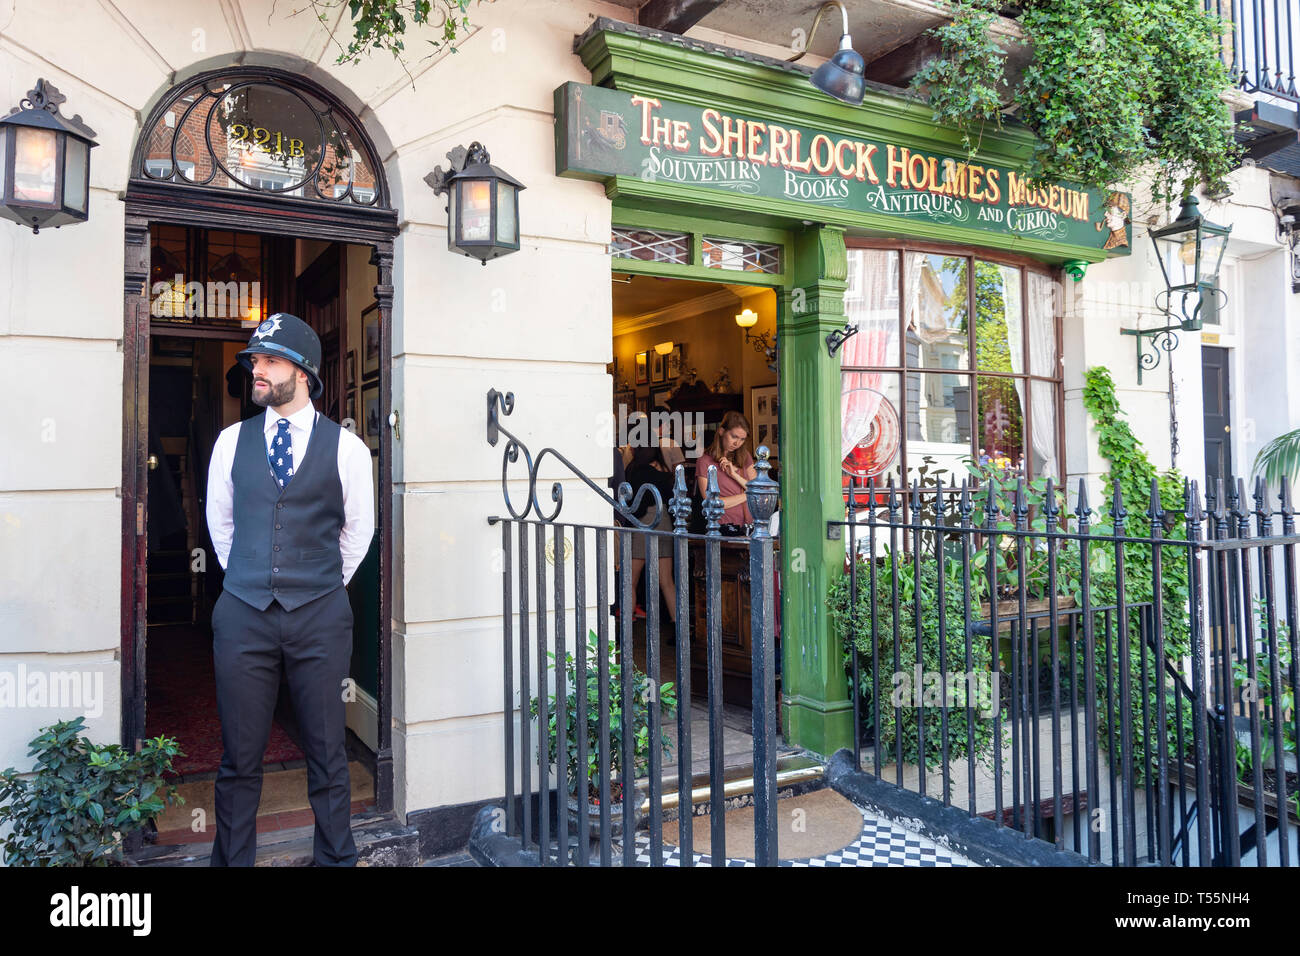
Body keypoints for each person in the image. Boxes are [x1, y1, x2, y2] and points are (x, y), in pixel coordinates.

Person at [204, 312, 375, 867]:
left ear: (302, 372)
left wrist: (319, 587)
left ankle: (335, 860)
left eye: (270, 360)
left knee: (328, 751)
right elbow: (221, 525)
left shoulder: (348, 449)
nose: (257, 369)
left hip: (320, 618)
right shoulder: (232, 442)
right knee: (240, 757)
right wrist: (254, 579)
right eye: (255, 359)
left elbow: (358, 532)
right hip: (243, 614)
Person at [623, 442, 679, 626]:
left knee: (630, 578)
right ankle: (677, 624)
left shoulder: (634, 470)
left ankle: (626, 624)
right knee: (666, 580)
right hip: (663, 521)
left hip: (643, 521)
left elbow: (632, 503)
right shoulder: (664, 471)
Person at [695, 410, 757, 534]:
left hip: (751, 527)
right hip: (723, 528)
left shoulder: (745, 457)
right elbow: (712, 502)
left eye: (742, 439)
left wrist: (734, 475)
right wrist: (748, 495)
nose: (737, 443)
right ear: (722, 431)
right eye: (734, 436)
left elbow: (759, 491)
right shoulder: (705, 461)